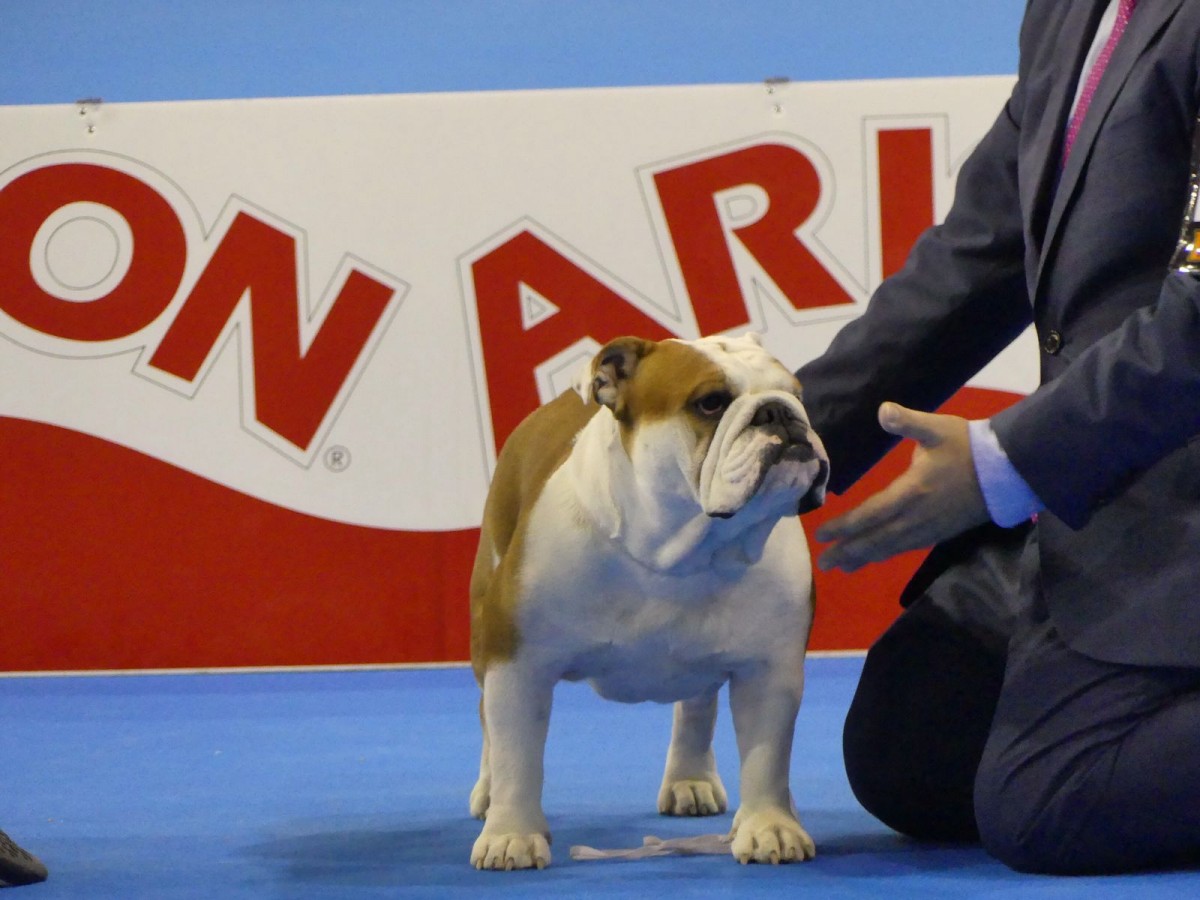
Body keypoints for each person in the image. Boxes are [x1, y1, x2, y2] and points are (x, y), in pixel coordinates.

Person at [795, 0, 1200, 875]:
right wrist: (780, 445)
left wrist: (1003, 463)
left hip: (1163, 467)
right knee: (910, 753)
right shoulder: (1070, 8)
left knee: (1050, 802)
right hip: (1112, 472)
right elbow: (977, 254)